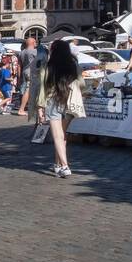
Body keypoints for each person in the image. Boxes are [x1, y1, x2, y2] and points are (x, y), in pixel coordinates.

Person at [37, 39, 86, 178]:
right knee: (62, 135)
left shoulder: (48, 66)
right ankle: (57, 164)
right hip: (69, 101)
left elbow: (42, 89)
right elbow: (81, 83)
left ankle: (65, 165)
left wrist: (40, 107)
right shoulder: (73, 65)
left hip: (53, 100)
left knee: (57, 135)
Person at [13, 37, 38, 115]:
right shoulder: (34, 51)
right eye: (35, 42)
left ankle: (34, 108)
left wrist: (19, 76)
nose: (36, 44)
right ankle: (21, 109)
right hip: (32, 72)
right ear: (33, 43)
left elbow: (19, 65)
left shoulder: (22, 52)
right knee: (28, 90)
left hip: (25, 71)